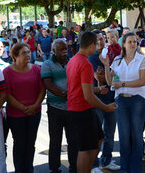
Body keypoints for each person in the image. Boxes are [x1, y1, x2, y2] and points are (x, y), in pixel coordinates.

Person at [66, 32, 117, 173]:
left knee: (98, 139)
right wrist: (106, 107)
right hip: (81, 109)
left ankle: (88, 169)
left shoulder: (73, 60)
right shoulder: (85, 63)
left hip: (80, 108)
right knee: (85, 148)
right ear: (91, 45)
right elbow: (87, 95)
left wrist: (98, 89)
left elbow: (81, 88)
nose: (99, 46)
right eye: (97, 43)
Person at [103, 32, 145, 173]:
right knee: (123, 137)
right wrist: (106, 66)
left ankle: (135, 169)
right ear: (124, 44)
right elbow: (110, 82)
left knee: (136, 136)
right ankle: (125, 169)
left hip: (138, 102)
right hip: (121, 100)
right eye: (129, 42)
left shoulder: (142, 59)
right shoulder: (117, 60)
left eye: (134, 41)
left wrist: (122, 84)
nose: (132, 44)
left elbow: (143, 81)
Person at [3, 42, 45, 172]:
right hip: (15, 115)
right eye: (24, 53)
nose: (28, 55)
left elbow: (42, 90)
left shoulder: (36, 69)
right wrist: (23, 108)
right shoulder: (7, 71)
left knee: (30, 144)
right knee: (19, 144)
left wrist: (35, 106)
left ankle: (29, 169)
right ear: (15, 56)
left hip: (35, 113)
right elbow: (7, 95)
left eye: (28, 52)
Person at [41, 39, 78, 173]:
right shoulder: (47, 64)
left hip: (72, 108)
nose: (64, 52)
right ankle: (54, 168)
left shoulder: (72, 62)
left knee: (73, 140)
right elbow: (48, 84)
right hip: (55, 108)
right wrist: (64, 94)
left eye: (65, 49)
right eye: (60, 50)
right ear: (53, 51)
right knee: (55, 141)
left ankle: (74, 167)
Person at [88, 30, 120, 171]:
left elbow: (111, 77)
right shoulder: (92, 58)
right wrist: (103, 78)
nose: (100, 42)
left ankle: (106, 160)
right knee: (96, 134)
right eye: (97, 40)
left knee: (110, 133)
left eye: (102, 39)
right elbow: (98, 78)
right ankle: (94, 164)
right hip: (97, 101)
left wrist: (106, 77)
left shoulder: (111, 54)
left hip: (111, 98)